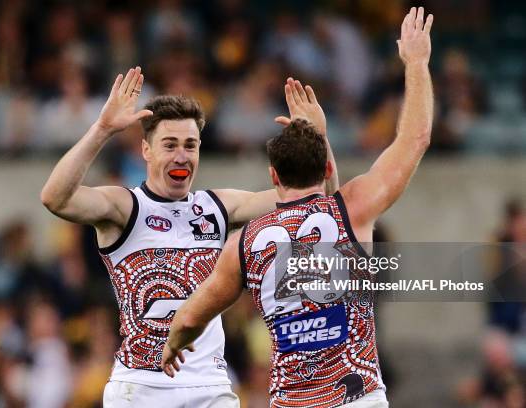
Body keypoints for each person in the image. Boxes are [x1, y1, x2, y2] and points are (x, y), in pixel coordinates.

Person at [162, 7, 434, 408]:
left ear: (274, 177)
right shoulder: (352, 209)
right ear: (326, 167)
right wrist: (416, 62)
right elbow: (416, 138)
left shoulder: (244, 243)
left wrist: (173, 344)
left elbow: (189, 318)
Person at [40, 63, 339, 406]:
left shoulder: (217, 207)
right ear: (146, 150)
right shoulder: (125, 207)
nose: (182, 156)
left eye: (190, 145)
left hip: (209, 388)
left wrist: (319, 140)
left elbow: (319, 202)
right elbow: (55, 197)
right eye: (169, 145)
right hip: (140, 389)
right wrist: (102, 129)